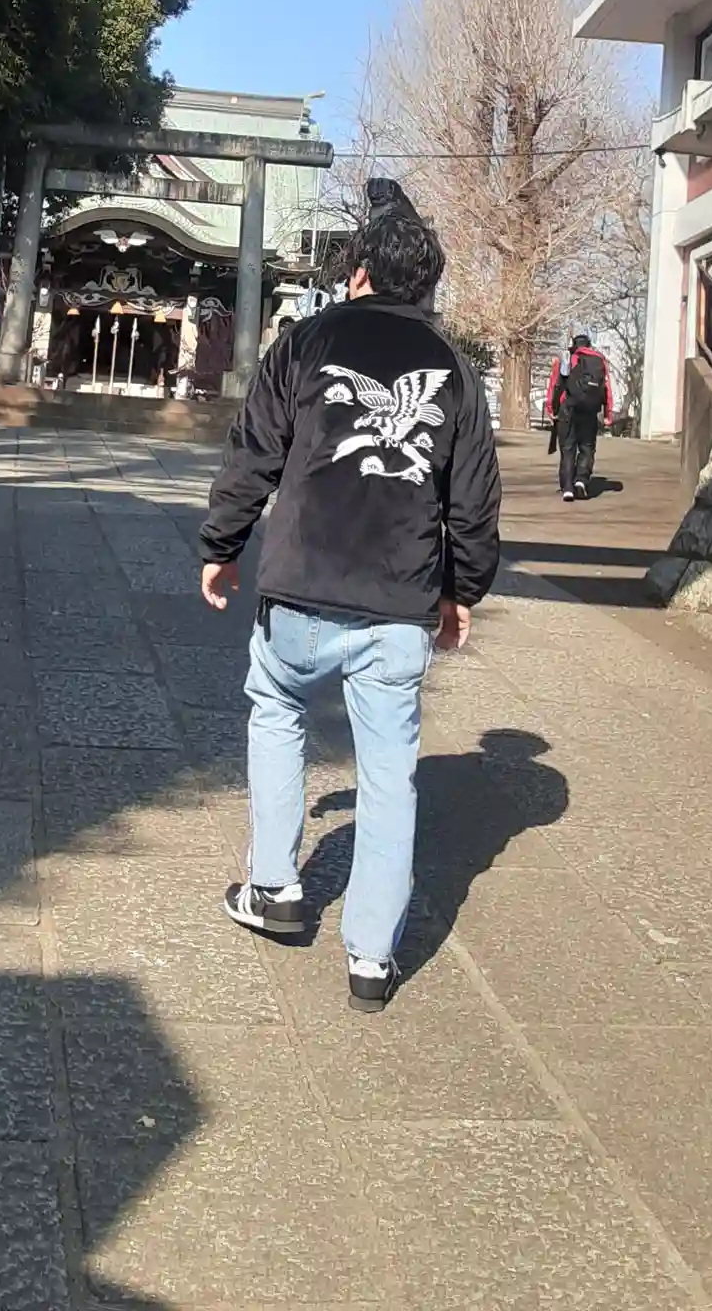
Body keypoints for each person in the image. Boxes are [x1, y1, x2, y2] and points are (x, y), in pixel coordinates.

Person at [198, 184, 502, 1013]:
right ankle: (371, 956)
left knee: (276, 712)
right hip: (399, 600)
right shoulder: (454, 371)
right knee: (390, 774)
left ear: (359, 271)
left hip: (302, 582)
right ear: (428, 285)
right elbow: (474, 500)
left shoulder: (306, 341)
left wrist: (222, 546)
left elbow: (254, 454)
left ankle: (274, 889)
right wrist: (462, 590)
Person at [545, 331, 613, 501]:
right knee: (587, 447)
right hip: (590, 411)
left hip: (568, 409)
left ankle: (568, 487)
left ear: (573, 346)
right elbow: (606, 389)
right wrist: (608, 414)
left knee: (568, 449)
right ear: (589, 345)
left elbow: (556, 384)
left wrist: (552, 408)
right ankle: (581, 481)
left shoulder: (568, 359)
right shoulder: (599, 360)